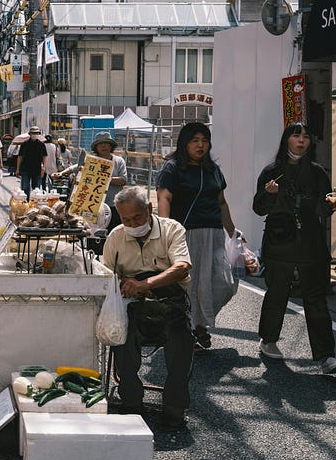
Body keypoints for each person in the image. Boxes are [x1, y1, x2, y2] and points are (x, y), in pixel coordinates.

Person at [253, 123, 336, 375]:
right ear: (286, 140)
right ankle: (268, 339)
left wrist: (333, 203)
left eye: (306, 136)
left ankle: (326, 356)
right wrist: (270, 194)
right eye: (296, 135)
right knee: (277, 293)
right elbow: (259, 208)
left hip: (310, 244)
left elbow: (321, 211)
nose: (301, 140)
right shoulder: (272, 172)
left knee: (315, 299)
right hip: (279, 241)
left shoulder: (316, 173)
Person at [102, 186, 194, 432]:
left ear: (150, 209)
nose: (132, 224)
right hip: (134, 307)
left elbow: (182, 267)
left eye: (137, 218)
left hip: (170, 304)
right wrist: (120, 285)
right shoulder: (116, 237)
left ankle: (174, 408)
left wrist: (145, 284)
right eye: (126, 220)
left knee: (182, 342)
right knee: (122, 339)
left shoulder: (172, 229)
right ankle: (131, 402)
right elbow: (104, 276)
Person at [156, 122, 236, 353]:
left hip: (214, 233)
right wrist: (165, 231)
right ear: (184, 143)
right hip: (185, 234)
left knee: (223, 284)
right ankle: (193, 329)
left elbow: (221, 202)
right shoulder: (172, 168)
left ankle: (197, 322)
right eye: (195, 140)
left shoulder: (213, 169)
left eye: (205, 140)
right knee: (189, 286)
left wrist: (233, 232)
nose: (201, 145)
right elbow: (164, 199)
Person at [55, 132, 127, 229]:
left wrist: (104, 178)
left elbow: (123, 180)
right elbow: (76, 167)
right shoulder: (92, 161)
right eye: (100, 144)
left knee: (114, 232)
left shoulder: (119, 161)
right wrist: (61, 173)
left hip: (113, 204)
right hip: (93, 205)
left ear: (111, 146)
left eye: (106, 143)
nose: (103, 146)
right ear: (96, 147)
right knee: (94, 233)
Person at [16, 126, 47, 194]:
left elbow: (45, 156)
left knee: (36, 189)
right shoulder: (24, 144)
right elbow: (20, 157)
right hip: (25, 169)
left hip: (37, 169)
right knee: (25, 188)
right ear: (30, 134)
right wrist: (17, 169)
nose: (35, 135)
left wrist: (44, 168)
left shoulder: (41, 144)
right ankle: (25, 203)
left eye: (36, 133)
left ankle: (34, 204)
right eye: (33, 133)